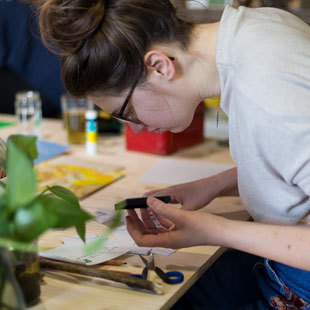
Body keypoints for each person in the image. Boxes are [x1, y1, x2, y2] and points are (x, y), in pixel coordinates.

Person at [38, 0, 310, 308]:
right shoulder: (254, 31)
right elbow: (287, 152)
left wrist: (212, 230)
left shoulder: (268, 89)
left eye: (127, 112)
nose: (136, 129)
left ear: (160, 66)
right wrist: (212, 185)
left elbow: (283, 124)